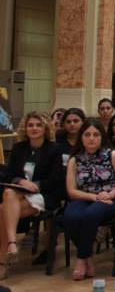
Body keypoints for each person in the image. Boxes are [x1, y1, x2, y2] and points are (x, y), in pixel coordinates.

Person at [63, 119, 115, 280]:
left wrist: (110, 194)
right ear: (81, 137)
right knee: (70, 217)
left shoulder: (112, 155)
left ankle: (81, 259)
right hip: (84, 197)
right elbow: (71, 191)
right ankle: (88, 256)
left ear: (102, 137)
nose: (91, 138)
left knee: (90, 215)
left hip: (109, 200)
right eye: (87, 135)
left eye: (96, 135)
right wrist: (93, 197)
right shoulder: (74, 160)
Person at [0, 112, 64, 277]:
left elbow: (56, 180)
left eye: (38, 125)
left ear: (45, 128)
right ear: (25, 128)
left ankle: (3, 261)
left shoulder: (54, 149)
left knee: (2, 210)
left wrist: (36, 185)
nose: (34, 128)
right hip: (18, 193)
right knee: (8, 192)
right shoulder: (19, 148)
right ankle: (12, 244)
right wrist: (21, 181)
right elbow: (8, 175)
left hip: (43, 195)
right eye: (30, 125)